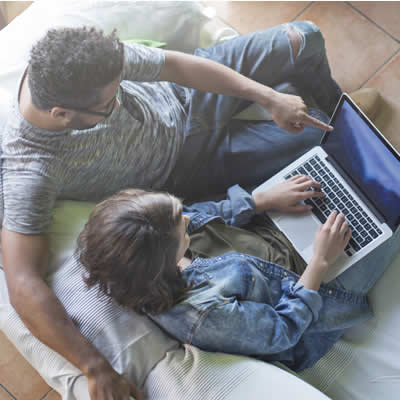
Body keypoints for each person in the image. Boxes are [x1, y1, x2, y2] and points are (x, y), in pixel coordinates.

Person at [1, 21, 341, 399]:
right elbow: (22, 283)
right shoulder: (30, 169)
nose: (118, 103)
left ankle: (335, 106)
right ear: (62, 114)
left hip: (186, 96)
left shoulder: (81, 63)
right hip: (191, 166)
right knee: (325, 146)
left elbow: (174, 67)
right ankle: (333, 120)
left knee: (304, 38)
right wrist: (94, 367)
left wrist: (267, 97)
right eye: (108, 105)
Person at [77, 176, 400, 372]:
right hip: (318, 296)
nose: (187, 219)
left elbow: (205, 213)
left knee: (346, 179)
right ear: (162, 259)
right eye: (180, 224)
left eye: (178, 210)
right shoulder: (202, 314)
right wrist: (319, 261)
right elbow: (282, 331)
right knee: (389, 216)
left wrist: (262, 200)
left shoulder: (155, 243)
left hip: (273, 236)